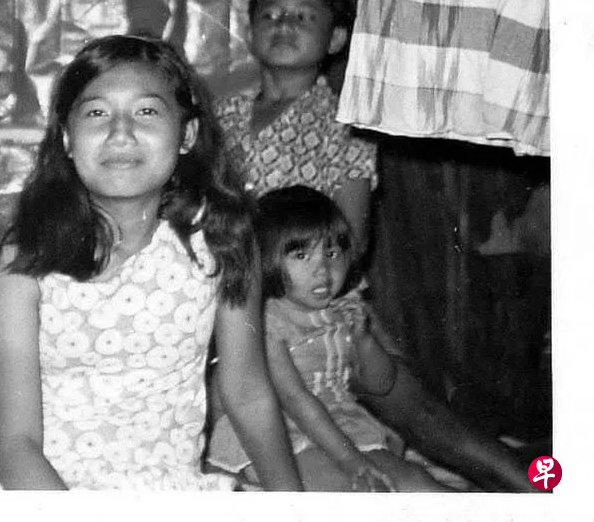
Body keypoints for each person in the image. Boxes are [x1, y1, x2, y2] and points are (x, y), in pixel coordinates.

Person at [0, 34, 302, 490]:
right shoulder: (24, 259)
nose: (121, 132)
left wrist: (293, 505)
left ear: (187, 134)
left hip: (169, 490)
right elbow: (16, 445)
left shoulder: (221, 242)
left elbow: (247, 393)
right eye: (97, 113)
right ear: (67, 138)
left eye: (146, 111)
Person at [209, 185, 493, 491]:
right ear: (266, 259)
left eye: (331, 253)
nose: (323, 269)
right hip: (281, 436)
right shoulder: (264, 322)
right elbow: (295, 400)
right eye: (301, 255)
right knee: (360, 492)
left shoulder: (343, 309)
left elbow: (380, 383)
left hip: (341, 425)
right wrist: (351, 460)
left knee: (418, 483)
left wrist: (364, 340)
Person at [215, 0, 376, 259]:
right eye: (270, 15)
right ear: (250, 34)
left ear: (335, 39)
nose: (284, 24)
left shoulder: (347, 126)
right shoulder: (221, 115)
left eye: (303, 17)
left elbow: (352, 239)